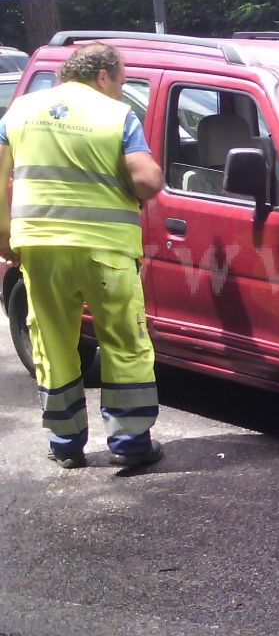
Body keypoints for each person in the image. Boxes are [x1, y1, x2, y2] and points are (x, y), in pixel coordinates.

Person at [0, 43, 165, 469]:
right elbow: (147, 180)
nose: (120, 89)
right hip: (105, 248)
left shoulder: (18, 111)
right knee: (124, 342)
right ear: (104, 76)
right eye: (122, 82)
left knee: (52, 342)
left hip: (40, 248)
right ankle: (130, 444)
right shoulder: (116, 115)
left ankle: (65, 444)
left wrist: (3, 234)